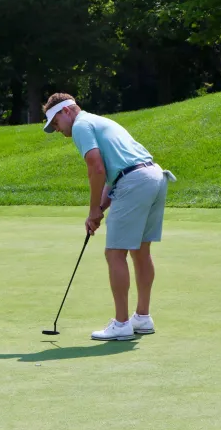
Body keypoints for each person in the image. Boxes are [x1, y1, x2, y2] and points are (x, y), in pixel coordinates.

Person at [42, 93, 176, 341]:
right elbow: (116, 172)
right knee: (140, 251)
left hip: (134, 182)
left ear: (66, 111)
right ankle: (142, 318)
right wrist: (99, 210)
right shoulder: (99, 122)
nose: (58, 130)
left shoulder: (81, 125)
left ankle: (122, 323)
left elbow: (96, 168)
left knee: (114, 253)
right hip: (153, 177)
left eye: (56, 123)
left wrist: (93, 210)